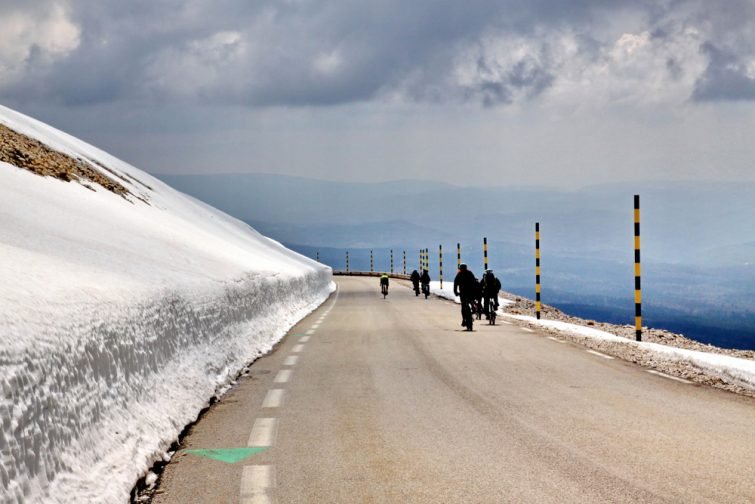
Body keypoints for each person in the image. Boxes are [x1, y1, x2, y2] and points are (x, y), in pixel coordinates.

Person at [453, 263, 477, 331]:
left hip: (463, 293)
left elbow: (455, 284)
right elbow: (474, 282)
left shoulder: (459, 274)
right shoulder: (470, 273)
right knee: (471, 302)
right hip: (470, 293)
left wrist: (455, 292)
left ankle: (464, 319)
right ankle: (474, 309)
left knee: (463, 306)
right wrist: (475, 291)